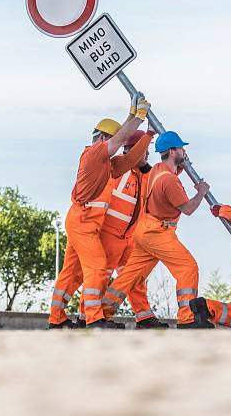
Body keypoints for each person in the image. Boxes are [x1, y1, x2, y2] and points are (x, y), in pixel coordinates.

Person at [48, 93, 154, 329]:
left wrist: (147, 135)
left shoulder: (107, 164)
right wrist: (137, 116)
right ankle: (94, 319)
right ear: (104, 138)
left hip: (83, 223)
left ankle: (57, 319)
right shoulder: (94, 154)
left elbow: (129, 160)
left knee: (73, 272)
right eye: (112, 139)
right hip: (83, 223)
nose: (116, 145)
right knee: (97, 267)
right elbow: (122, 138)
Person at [101, 131, 214, 329]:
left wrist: (181, 163)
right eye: (180, 148)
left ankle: (101, 313)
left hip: (144, 230)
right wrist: (201, 192)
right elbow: (188, 209)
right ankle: (188, 318)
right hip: (158, 233)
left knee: (130, 276)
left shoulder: (158, 170)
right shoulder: (169, 181)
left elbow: (170, 173)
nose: (184, 151)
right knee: (188, 268)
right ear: (172, 152)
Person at [75, 129, 169, 329]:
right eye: (144, 150)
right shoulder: (117, 168)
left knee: (134, 278)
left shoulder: (143, 174)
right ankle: (87, 318)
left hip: (130, 237)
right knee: (99, 276)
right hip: (110, 235)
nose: (146, 155)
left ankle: (143, 316)